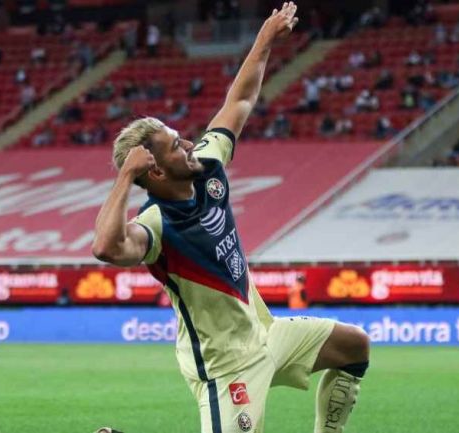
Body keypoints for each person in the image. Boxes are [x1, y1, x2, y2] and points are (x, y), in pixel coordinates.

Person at [91, 4, 369, 432]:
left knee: (354, 345)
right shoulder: (157, 224)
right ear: (158, 172)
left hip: (266, 334)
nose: (188, 141)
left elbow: (239, 100)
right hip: (226, 367)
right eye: (174, 145)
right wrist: (126, 175)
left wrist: (265, 40)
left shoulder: (207, 165)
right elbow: (107, 248)